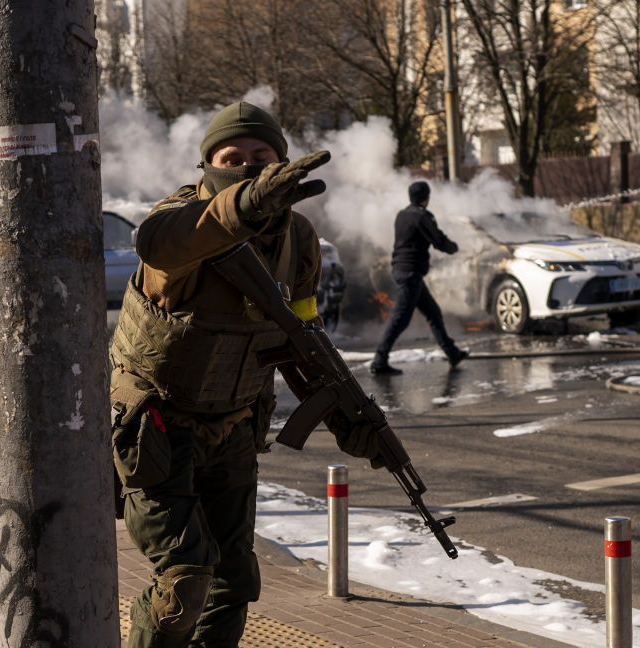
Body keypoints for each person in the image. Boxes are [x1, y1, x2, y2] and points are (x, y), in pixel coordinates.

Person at [108, 101, 379, 648]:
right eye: (232, 158)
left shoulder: (299, 239)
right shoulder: (179, 221)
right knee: (185, 583)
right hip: (157, 429)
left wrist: (346, 415)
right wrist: (244, 205)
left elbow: (303, 335)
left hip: (233, 426)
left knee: (233, 583)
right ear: (206, 166)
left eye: (263, 156)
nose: (250, 167)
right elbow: (156, 244)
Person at [371, 181, 468, 375]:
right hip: (410, 273)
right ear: (426, 197)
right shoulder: (422, 216)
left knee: (433, 312)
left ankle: (452, 353)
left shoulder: (402, 215)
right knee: (400, 319)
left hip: (403, 270)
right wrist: (454, 247)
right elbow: (438, 241)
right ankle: (379, 361)